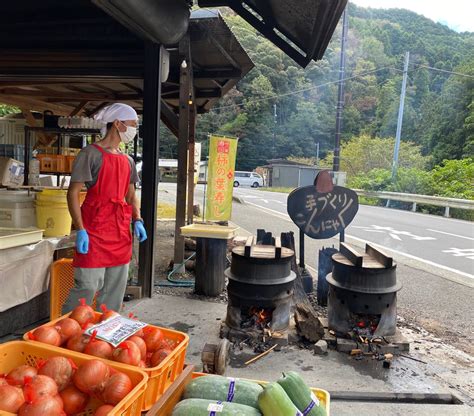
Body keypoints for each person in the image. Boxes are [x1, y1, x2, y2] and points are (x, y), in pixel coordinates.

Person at [63, 103, 147, 313]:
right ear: (117, 124)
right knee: (88, 286)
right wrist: (80, 229)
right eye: (133, 124)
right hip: (94, 227)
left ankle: (104, 333)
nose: (135, 129)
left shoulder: (128, 160)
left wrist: (137, 219)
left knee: (115, 290)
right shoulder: (90, 154)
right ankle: (64, 329)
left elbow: (130, 195)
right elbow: (73, 192)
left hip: (119, 230)